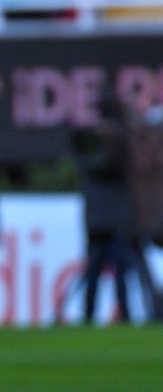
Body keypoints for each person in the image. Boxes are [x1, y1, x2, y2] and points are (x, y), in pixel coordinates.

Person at [70, 93, 140, 324]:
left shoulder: (94, 139)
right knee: (113, 270)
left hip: (98, 215)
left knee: (99, 270)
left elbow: (83, 160)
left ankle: (91, 314)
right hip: (116, 215)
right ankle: (120, 315)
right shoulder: (120, 139)